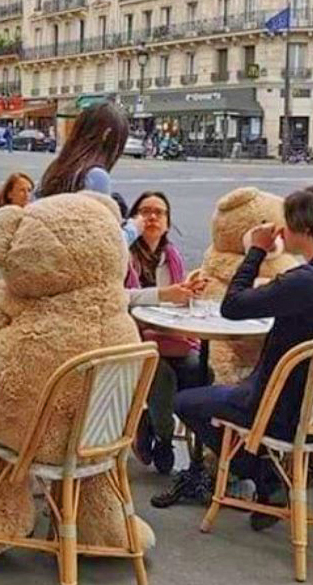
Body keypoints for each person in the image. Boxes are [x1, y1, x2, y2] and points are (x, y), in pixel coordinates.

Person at [158, 186, 313, 523]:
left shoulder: (305, 281)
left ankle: (267, 477)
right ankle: (272, 480)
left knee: (186, 401)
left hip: (282, 412)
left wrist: (256, 251)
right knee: (229, 392)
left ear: (304, 230)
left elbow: (233, 305)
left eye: (286, 225)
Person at [125, 191, 208, 474]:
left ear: (168, 223)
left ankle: (156, 427)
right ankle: (164, 436)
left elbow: (176, 301)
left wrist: (187, 291)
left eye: (159, 212)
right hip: (133, 338)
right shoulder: (123, 254)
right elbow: (119, 296)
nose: (152, 217)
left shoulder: (171, 256)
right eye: (145, 211)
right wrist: (164, 294)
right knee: (162, 375)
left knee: (202, 369)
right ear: (133, 219)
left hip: (170, 337)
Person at [37, 102, 141, 245]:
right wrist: (134, 228)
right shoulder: (96, 176)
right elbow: (101, 243)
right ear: (107, 136)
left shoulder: (57, 168)